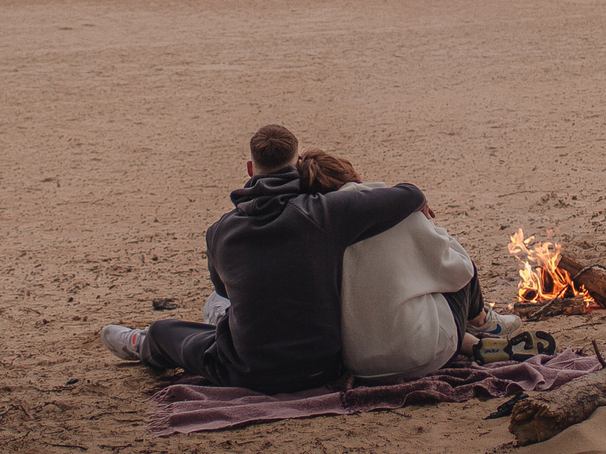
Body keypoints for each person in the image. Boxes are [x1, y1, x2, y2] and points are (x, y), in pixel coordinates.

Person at [99, 124, 430, 391]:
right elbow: (410, 193)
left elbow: (226, 292)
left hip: (251, 371)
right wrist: (416, 206)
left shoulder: (221, 232)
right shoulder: (326, 214)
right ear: (298, 165)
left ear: (249, 168)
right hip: (322, 366)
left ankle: (143, 344)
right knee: (222, 317)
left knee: (167, 330)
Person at [295, 148, 486, 380]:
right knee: (455, 266)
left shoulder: (314, 233)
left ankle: (473, 340)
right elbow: (458, 271)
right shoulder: (398, 210)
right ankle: (482, 321)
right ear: (351, 175)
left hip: (360, 365)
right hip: (422, 356)